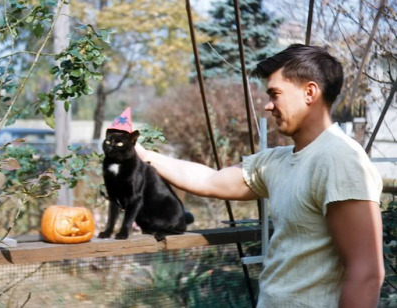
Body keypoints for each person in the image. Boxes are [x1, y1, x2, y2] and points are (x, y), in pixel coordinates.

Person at [135, 44, 384, 307]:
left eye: (275, 94)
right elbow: (209, 180)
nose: (268, 106)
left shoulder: (340, 160)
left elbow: (366, 273)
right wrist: (142, 154)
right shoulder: (277, 161)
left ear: (309, 92)